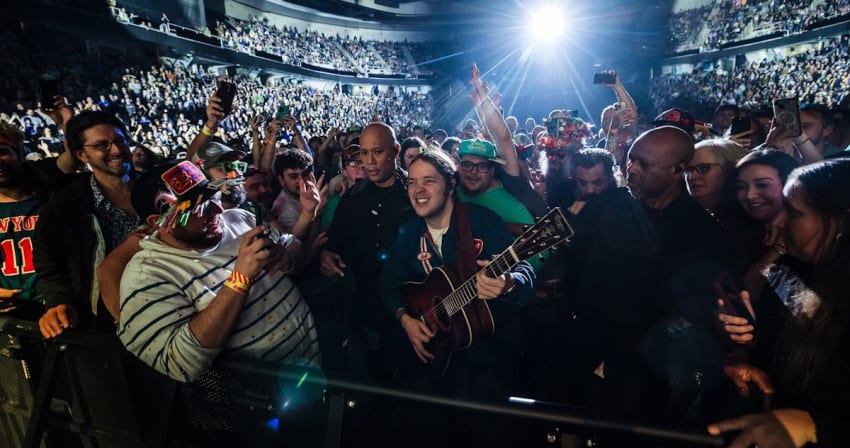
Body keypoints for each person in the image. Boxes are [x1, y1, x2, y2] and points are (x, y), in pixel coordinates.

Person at [379, 150, 534, 446]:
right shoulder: (410, 233)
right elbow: (388, 286)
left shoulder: (482, 221)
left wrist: (510, 283)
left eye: (428, 181)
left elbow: (524, 267)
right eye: (412, 183)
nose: (418, 191)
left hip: (486, 363)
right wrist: (406, 321)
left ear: (451, 185)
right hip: (435, 361)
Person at [118, 161, 319, 382]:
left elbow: (295, 249)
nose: (218, 210)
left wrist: (286, 257)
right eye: (200, 207)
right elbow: (182, 364)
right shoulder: (147, 276)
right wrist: (240, 278)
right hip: (257, 398)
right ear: (158, 222)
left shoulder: (238, 219)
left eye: (213, 198)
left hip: (312, 364)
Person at [709, 158, 850, 448]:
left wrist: (815, 426)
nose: (778, 221)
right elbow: (772, 343)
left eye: (794, 212)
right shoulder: (788, 272)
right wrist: (741, 355)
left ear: (842, 223)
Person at [35, 111, 139, 338]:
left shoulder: (157, 191)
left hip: (169, 309)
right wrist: (59, 303)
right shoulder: (64, 208)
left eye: (119, 141)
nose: (116, 150)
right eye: (102, 145)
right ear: (82, 155)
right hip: (105, 327)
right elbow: (50, 268)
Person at [0, 123, 50, 320]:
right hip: (8, 318)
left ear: (18, 152)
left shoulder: (52, 200)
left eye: (2, 152)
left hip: (57, 308)